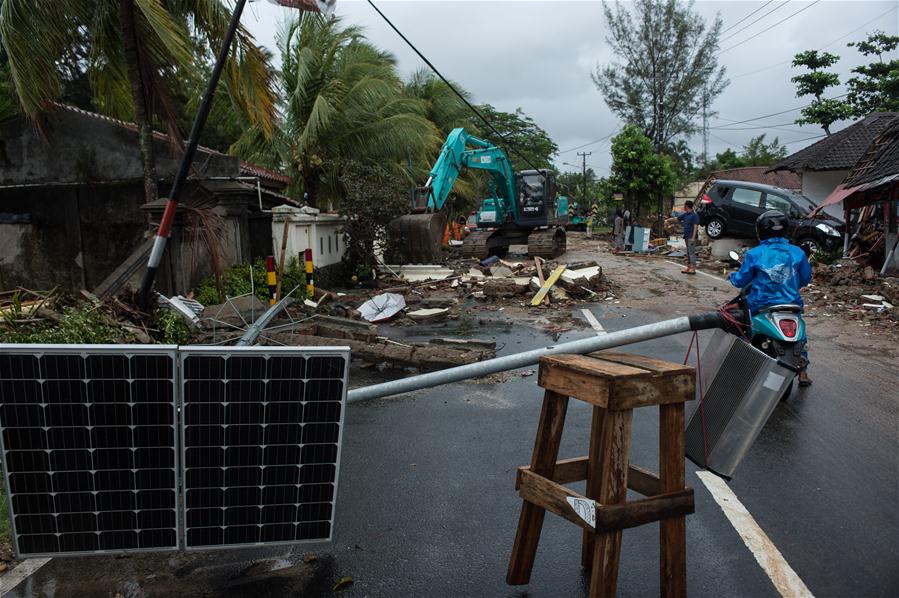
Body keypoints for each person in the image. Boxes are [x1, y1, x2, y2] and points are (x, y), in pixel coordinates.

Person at [729, 210, 813, 386]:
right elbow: (805, 278)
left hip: (761, 304)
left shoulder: (755, 254)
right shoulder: (797, 253)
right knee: (800, 337)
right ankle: (803, 372)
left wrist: (731, 276)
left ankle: (746, 362)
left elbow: (741, 280)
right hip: (791, 304)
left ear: (761, 230)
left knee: (742, 326)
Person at [677, 200, 700, 274]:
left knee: (691, 252)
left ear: (686, 206)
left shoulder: (694, 215)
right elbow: (677, 219)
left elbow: (695, 226)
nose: (684, 207)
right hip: (686, 236)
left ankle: (693, 268)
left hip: (691, 236)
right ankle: (689, 267)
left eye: (684, 205)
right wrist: (668, 220)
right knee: (688, 252)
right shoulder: (685, 215)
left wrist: (693, 238)